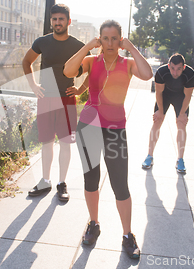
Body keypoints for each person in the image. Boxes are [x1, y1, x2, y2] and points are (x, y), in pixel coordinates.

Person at [63, 20, 153, 259]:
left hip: (115, 130)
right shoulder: (92, 62)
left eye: (115, 38)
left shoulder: (129, 64)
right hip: (89, 127)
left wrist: (131, 47)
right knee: (91, 179)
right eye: (105, 38)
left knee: (120, 184)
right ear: (99, 40)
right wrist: (86, 48)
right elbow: (68, 71)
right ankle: (93, 224)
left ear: (121, 40)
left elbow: (148, 74)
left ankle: (127, 235)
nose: (110, 43)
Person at [22, 4, 86, 202]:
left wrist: (80, 90)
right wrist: (33, 86)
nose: (57, 22)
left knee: (66, 142)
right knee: (46, 141)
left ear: (68, 21)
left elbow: (91, 68)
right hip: (46, 98)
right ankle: (45, 181)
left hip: (67, 99)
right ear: (51, 21)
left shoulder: (78, 46)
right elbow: (26, 62)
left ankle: (62, 183)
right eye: (54, 19)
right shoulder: (42, 42)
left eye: (61, 19)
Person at [141, 54, 194, 173]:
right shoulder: (162, 72)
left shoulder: (190, 74)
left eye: (178, 69)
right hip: (165, 95)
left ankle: (180, 159)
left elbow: (187, 96)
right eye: (172, 68)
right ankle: (149, 156)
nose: (175, 73)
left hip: (181, 97)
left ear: (184, 67)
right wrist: (160, 111)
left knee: (181, 124)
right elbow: (159, 93)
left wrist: (182, 114)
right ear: (168, 66)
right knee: (157, 121)